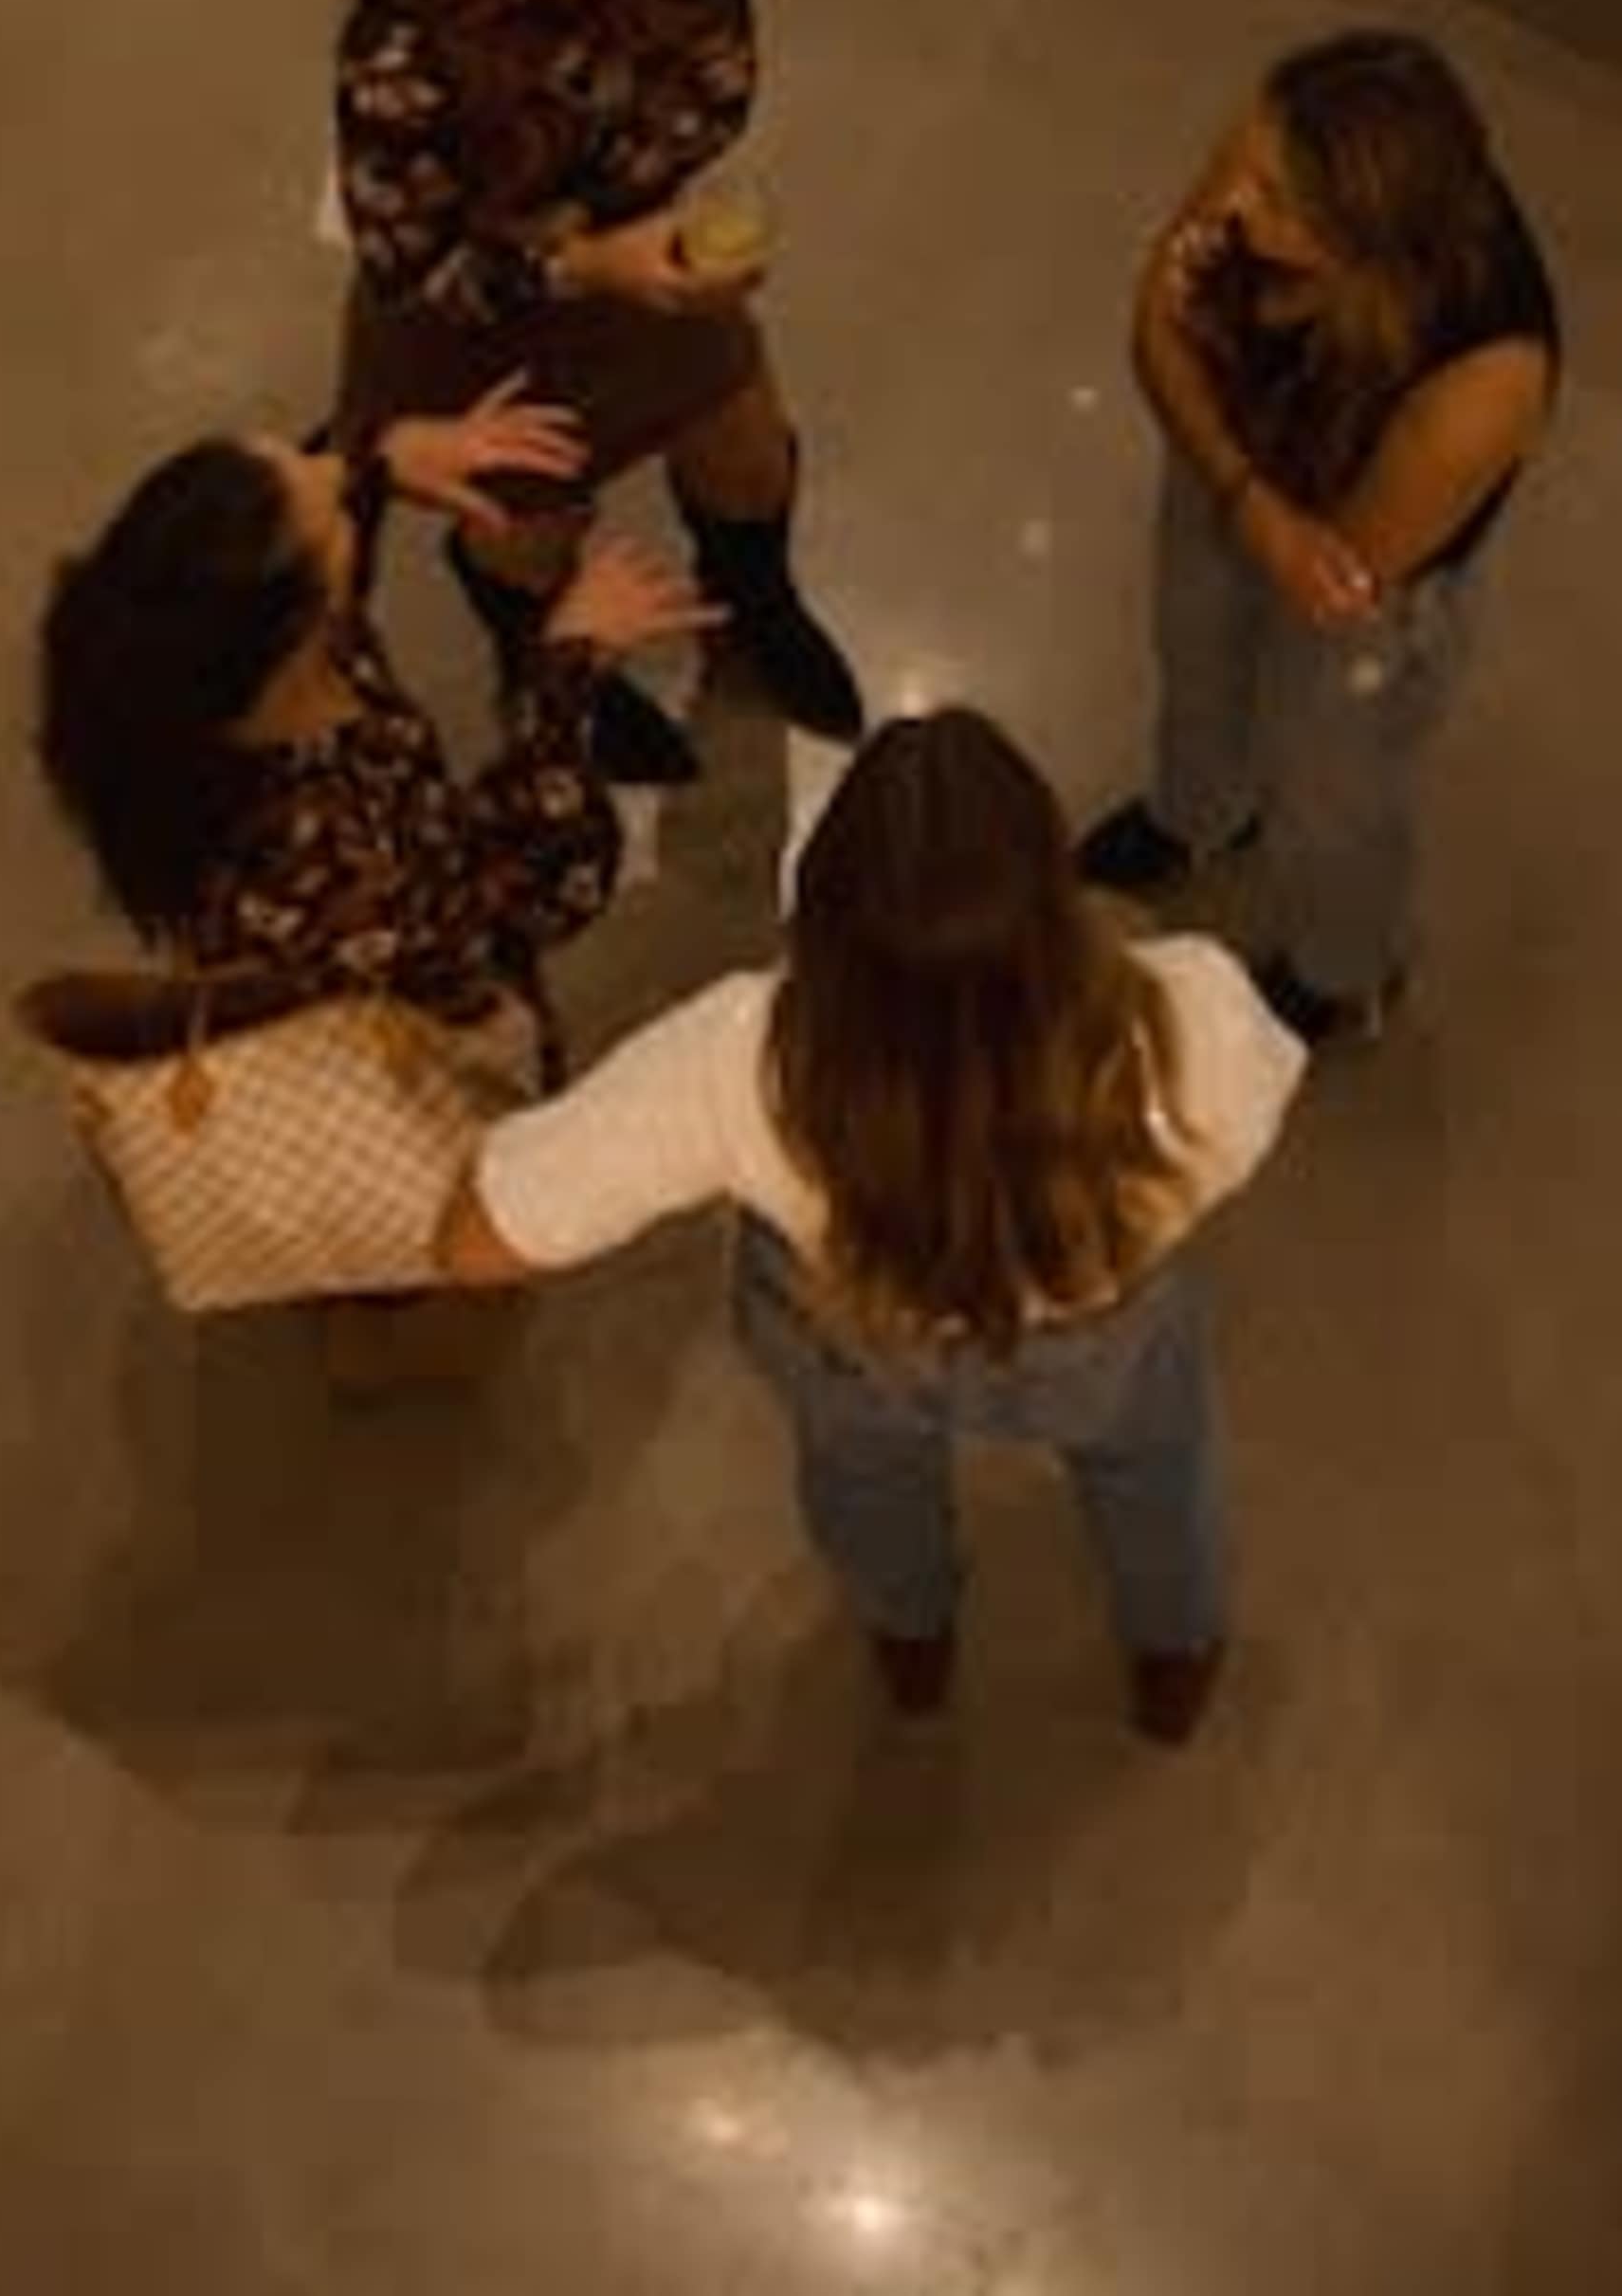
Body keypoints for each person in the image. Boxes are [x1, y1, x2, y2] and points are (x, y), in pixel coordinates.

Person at [437, 707, 1303, 1740]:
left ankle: (913, 1642)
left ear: (822, 915)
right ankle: (1173, 1651)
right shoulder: (1192, 1009)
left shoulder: (736, 1052)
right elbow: (1250, 1119)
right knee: (1154, 1469)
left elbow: (476, 1241)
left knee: (863, 1481)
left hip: (849, 1340)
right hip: (1098, 1336)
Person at [331, 0, 864, 784]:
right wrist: (578, 258)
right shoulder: (398, 42)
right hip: (486, 312)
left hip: (634, 244)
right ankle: (544, 653)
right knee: (535, 518)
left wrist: (624, 233)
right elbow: (413, 267)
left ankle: (752, 604)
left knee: (746, 447)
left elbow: (719, 76)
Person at [1079, 30, 1554, 1049]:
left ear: (1365, 246)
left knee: (1330, 780)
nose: (1236, 205)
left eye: (1280, 204)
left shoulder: (1487, 365)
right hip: (1242, 471)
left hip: (1369, 577)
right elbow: (1152, 331)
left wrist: (1241, 486)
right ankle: (1199, 811)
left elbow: (1341, 567)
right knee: (1194, 647)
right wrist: (1245, 492)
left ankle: (1343, 968)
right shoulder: (1283, 144)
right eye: (1248, 167)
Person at [33, 402, 698, 1018]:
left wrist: (383, 461)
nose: (344, 477)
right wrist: (567, 665)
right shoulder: (332, 872)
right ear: (298, 622)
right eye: (340, 512)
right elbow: (541, 891)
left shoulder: (177, 673)